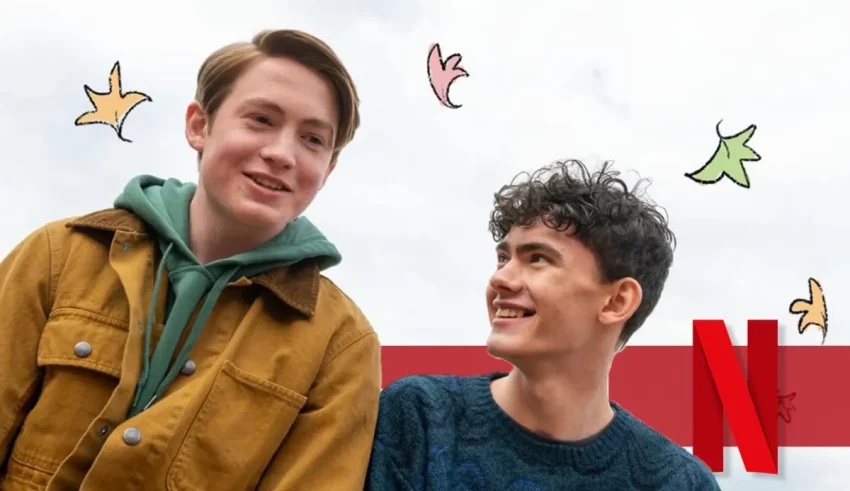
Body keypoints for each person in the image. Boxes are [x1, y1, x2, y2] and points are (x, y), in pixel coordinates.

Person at [0, 29, 381, 490]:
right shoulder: (56, 255)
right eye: (260, 119)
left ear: (327, 173)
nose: (282, 153)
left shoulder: (341, 345)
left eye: (313, 140)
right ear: (199, 125)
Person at [365, 160, 721, 490]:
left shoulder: (680, 482)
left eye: (537, 259)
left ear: (617, 301)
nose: (501, 278)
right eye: (503, 258)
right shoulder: (422, 417)